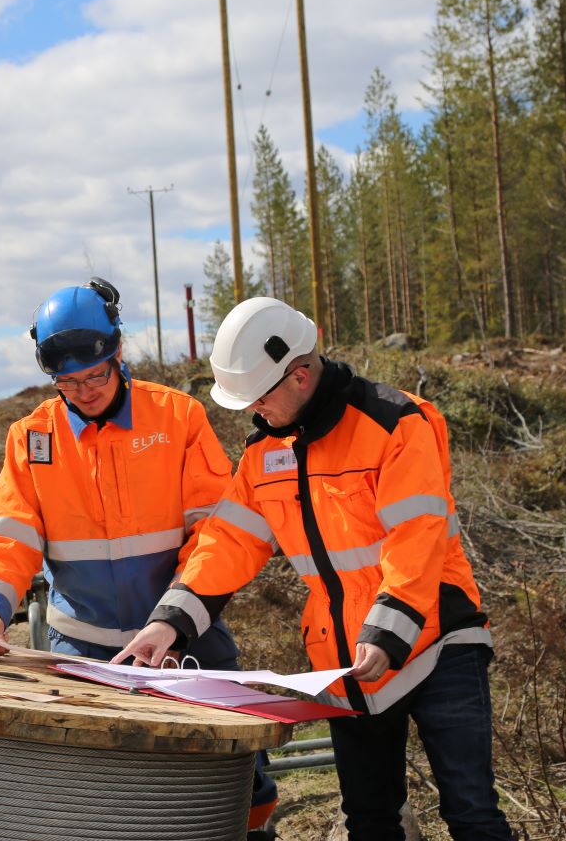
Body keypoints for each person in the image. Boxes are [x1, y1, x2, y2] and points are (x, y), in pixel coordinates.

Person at [115, 297, 515, 841]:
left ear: (299, 375)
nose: (256, 412)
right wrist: (170, 622)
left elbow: (416, 539)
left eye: (260, 398)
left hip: (439, 640)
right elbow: (228, 542)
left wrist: (386, 630)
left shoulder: (396, 424)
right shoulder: (264, 454)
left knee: (471, 813)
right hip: (348, 661)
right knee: (369, 820)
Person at [0, 278, 278, 839]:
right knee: (102, 796)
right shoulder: (31, 438)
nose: (84, 392)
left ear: (117, 356)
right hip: (85, 653)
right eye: (68, 382)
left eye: (95, 376)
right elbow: (11, 536)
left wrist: (177, 620)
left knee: (240, 780)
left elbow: (215, 534)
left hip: (188, 643)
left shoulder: (177, 418)